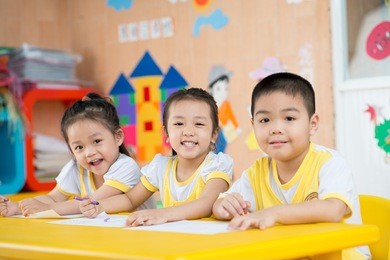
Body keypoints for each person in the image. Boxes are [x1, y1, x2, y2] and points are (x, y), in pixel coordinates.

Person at [212, 72, 370, 259]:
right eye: (264, 120)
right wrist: (224, 205)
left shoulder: (330, 163)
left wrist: (273, 214)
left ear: (312, 124)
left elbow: (333, 209)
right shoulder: (257, 172)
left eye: (289, 118)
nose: (276, 128)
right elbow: (220, 204)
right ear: (253, 125)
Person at [80, 87, 233, 227]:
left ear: (214, 134)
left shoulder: (217, 165)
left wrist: (162, 214)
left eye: (198, 124)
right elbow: (130, 199)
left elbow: (206, 203)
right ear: (166, 133)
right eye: (179, 124)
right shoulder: (160, 166)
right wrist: (99, 206)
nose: (188, 131)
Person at [0, 92, 153, 217]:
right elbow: (53, 197)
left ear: (118, 137)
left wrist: (47, 209)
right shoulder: (76, 168)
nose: (89, 152)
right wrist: (18, 207)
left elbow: (92, 201)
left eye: (97, 141)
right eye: (79, 147)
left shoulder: (126, 166)